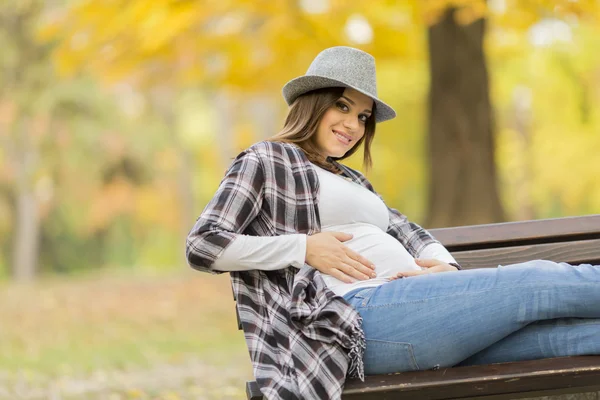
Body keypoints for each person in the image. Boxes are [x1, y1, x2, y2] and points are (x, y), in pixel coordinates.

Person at [186, 46, 600, 400]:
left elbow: (409, 232)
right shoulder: (267, 160)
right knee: (535, 283)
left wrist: (443, 265)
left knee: (569, 338)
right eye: (343, 106)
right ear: (312, 102)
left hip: (420, 313)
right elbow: (203, 245)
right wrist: (304, 247)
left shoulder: (352, 180)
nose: (353, 125)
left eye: (363, 117)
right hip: (355, 319)